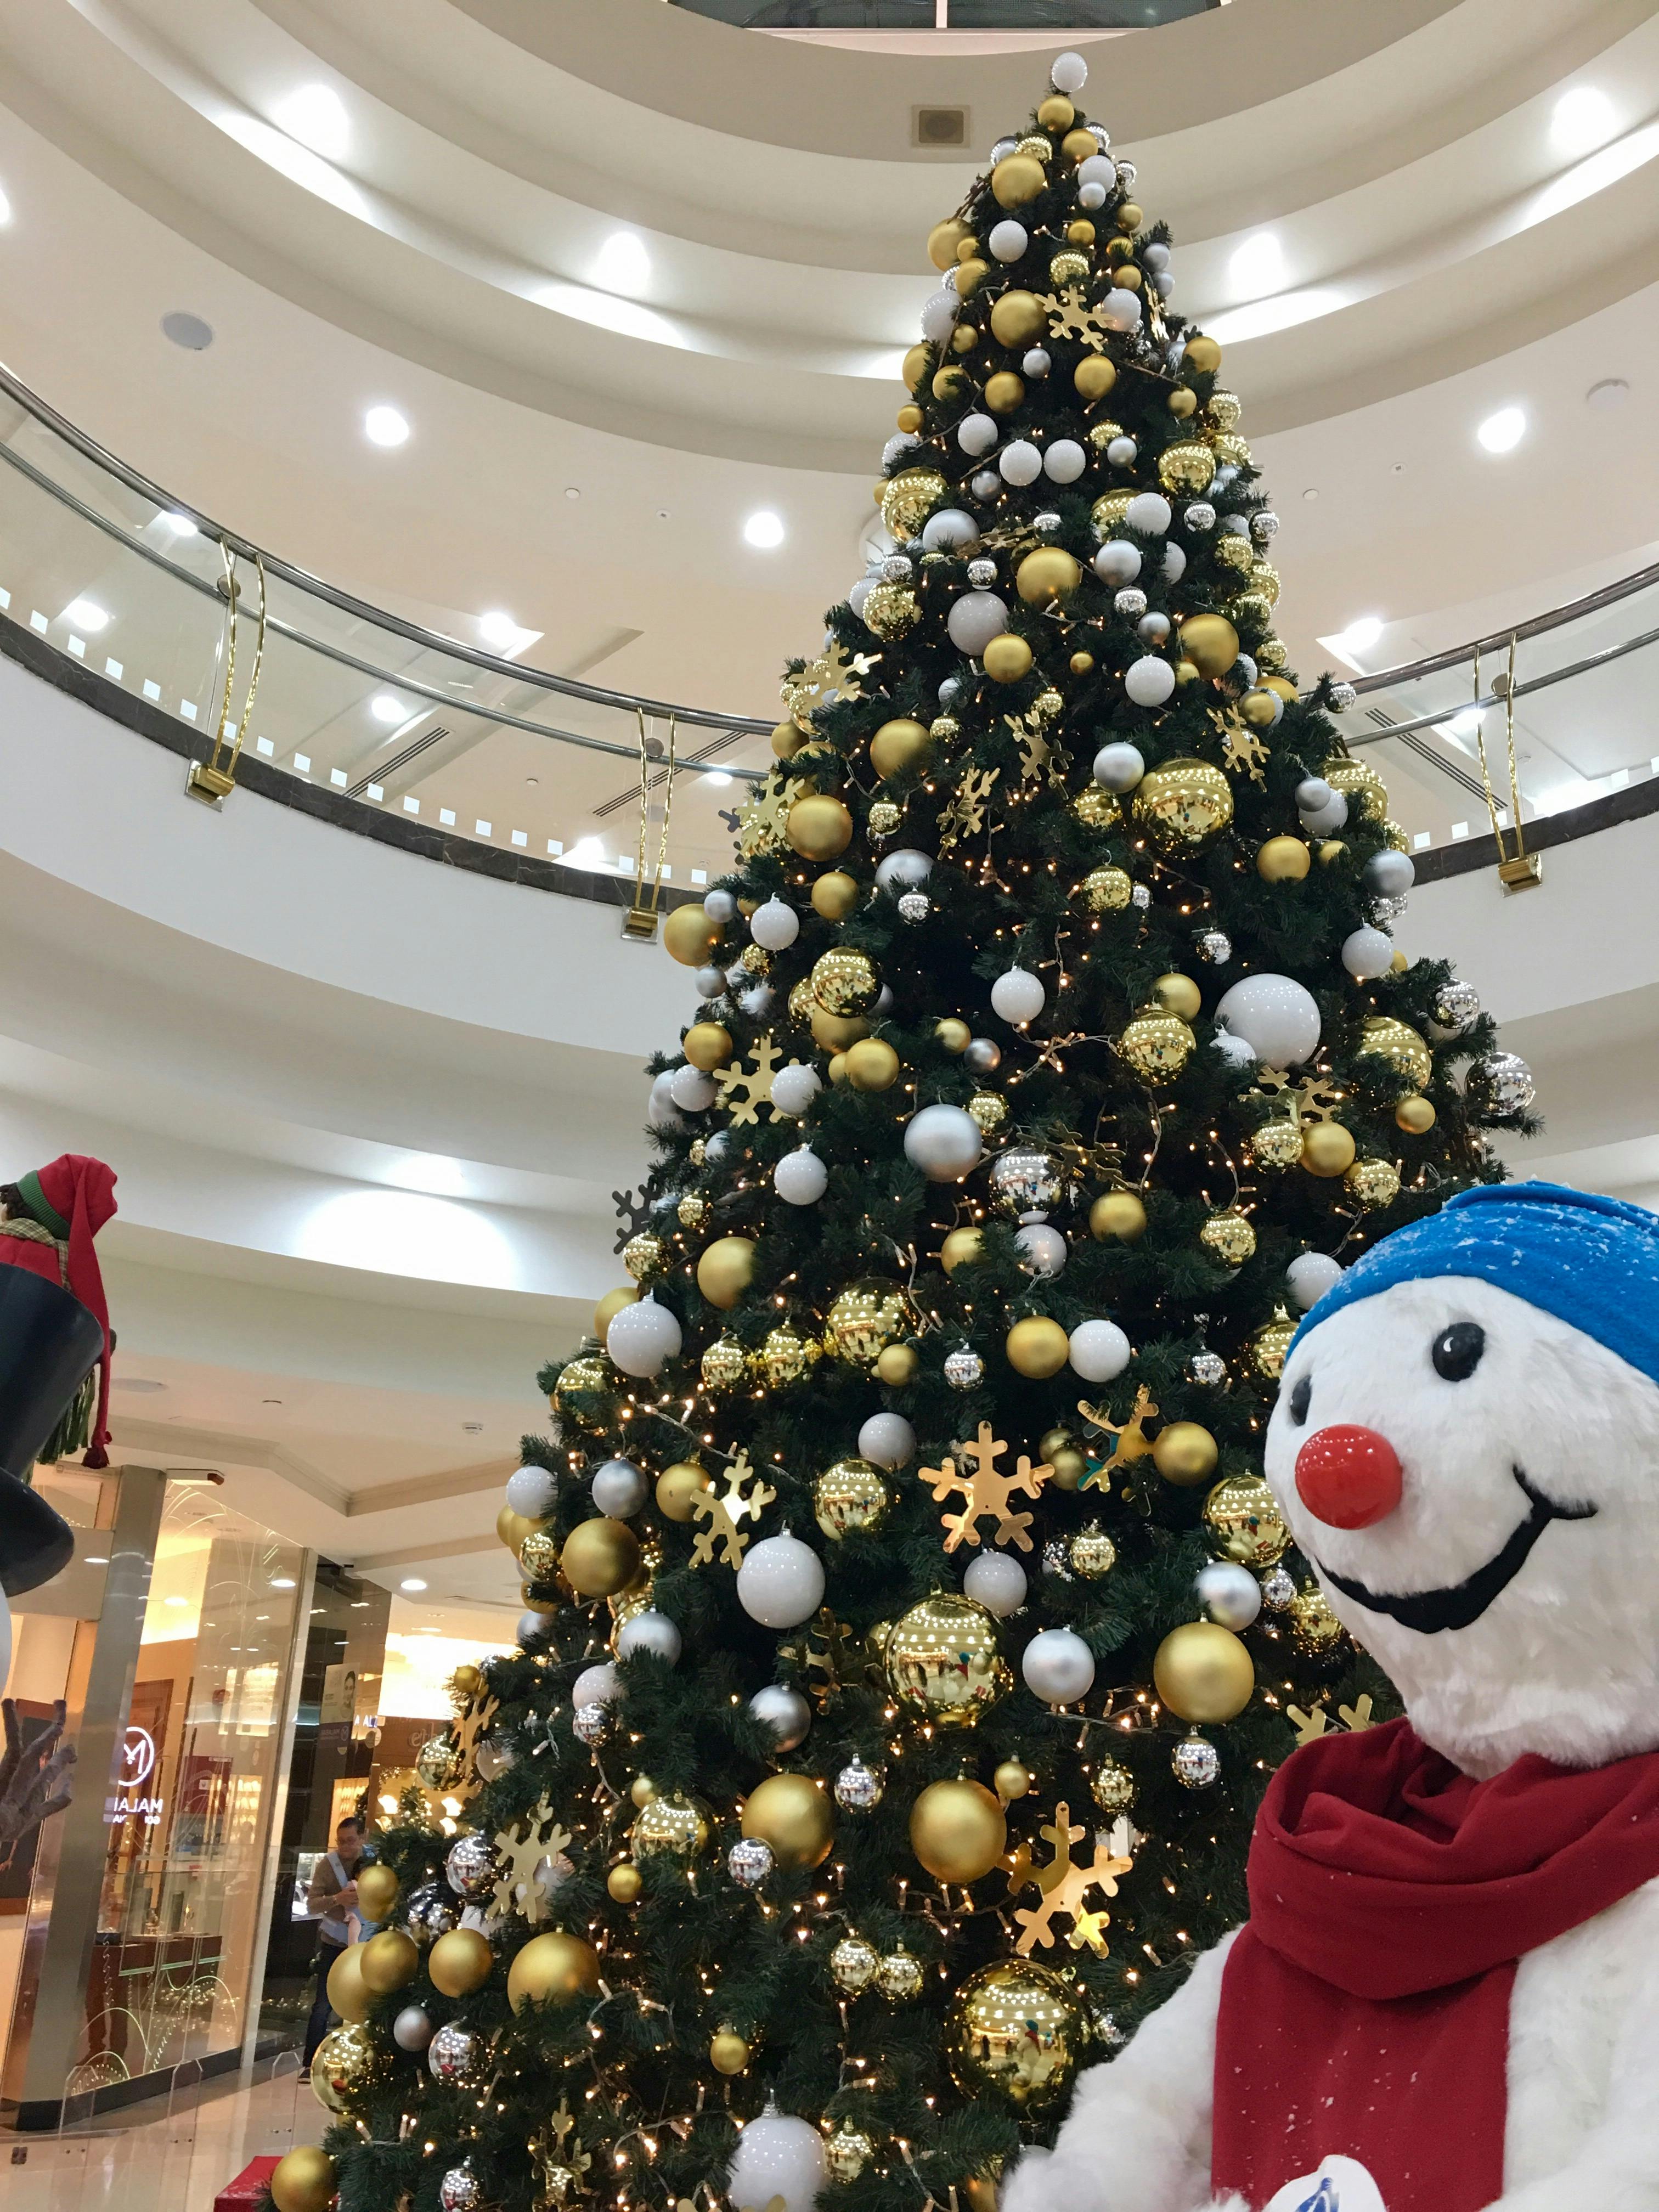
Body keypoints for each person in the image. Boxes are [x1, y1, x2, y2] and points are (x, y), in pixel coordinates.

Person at [303, 1812, 365, 2065]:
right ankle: (310, 2063)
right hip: (333, 1944)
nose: (345, 1847)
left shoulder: (375, 1861)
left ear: (363, 1837)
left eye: (351, 1841)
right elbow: (311, 1905)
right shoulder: (328, 1865)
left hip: (365, 1945)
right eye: (341, 1842)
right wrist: (338, 1899)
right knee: (323, 2005)